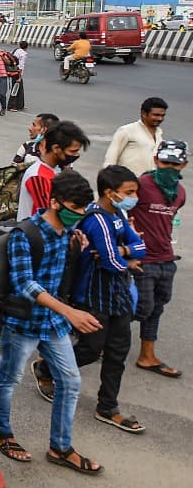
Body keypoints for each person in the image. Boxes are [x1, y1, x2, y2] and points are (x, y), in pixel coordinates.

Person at [0, 169, 102, 474]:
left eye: (82, 210)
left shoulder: (69, 234)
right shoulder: (24, 234)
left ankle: (61, 447)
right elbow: (25, 283)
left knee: (70, 381)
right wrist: (70, 312)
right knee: (8, 380)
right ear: (55, 203)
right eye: (74, 209)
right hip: (23, 324)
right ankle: (3, 433)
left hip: (53, 325)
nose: (78, 215)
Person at [33, 165, 146, 433]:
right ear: (110, 192)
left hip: (117, 294)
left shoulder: (119, 213)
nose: (133, 197)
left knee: (118, 351)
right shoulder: (96, 218)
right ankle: (47, 368)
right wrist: (128, 261)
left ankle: (108, 407)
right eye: (128, 192)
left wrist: (125, 251)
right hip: (94, 294)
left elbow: (140, 246)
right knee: (91, 348)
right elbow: (110, 262)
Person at [130, 139, 187, 378]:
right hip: (143, 259)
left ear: (183, 165)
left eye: (175, 164)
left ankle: (147, 356)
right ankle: (97, 341)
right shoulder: (141, 185)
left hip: (166, 258)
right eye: (165, 162)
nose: (169, 168)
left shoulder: (179, 193)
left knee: (157, 308)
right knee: (139, 308)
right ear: (155, 160)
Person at [17, 120, 90, 221]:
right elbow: (48, 215)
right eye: (72, 151)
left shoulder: (56, 170)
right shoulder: (38, 176)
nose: (76, 155)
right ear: (56, 148)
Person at [104, 97, 167, 176]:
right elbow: (111, 157)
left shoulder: (159, 134)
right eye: (156, 115)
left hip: (149, 183)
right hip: (127, 182)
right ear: (144, 114)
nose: (160, 118)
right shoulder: (127, 130)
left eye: (162, 115)